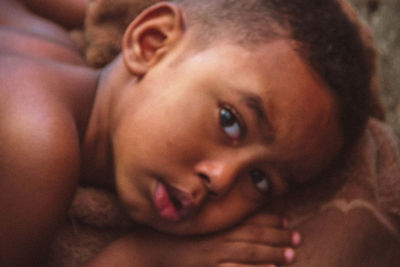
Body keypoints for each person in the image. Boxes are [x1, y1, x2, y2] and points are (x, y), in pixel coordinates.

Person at [0, 0, 374, 266]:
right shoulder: (34, 139)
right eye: (231, 121)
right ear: (151, 43)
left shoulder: (50, 43)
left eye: (260, 180)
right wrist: (144, 256)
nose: (221, 180)